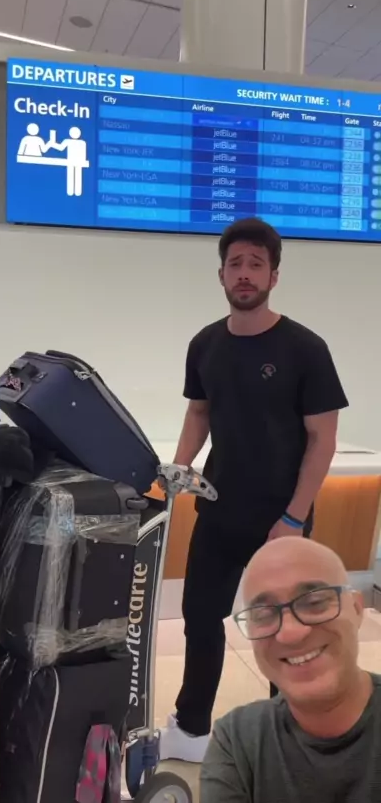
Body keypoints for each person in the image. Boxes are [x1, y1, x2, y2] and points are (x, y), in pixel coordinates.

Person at [159, 218, 348, 763]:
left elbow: (323, 439)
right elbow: (199, 413)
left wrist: (294, 518)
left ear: (274, 276)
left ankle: (288, 736)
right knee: (200, 618)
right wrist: (178, 470)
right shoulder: (205, 343)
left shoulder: (305, 348)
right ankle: (192, 728)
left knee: (286, 630)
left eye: (256, 265)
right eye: (235, 264)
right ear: (221, 274)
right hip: (218, 509)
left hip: (281, 519)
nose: (245, 274)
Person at [201, 537, 381, 802]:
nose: (290, 633)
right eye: (264, 614)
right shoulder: (238, 742)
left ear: (356, 609)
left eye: (315, 602)